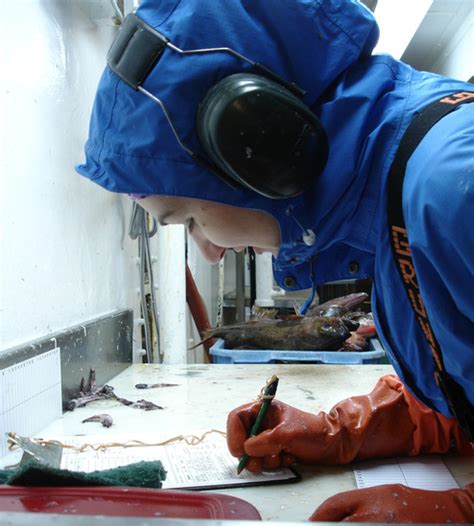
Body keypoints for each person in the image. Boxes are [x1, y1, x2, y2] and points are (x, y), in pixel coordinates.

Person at [77, 0, 474, 521]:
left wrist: (459, 510)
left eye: (190, 220)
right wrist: (341, 431)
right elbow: (461, 391)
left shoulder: (453, 185)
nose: (209, 250)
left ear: (261, 147)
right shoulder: (399, 208)